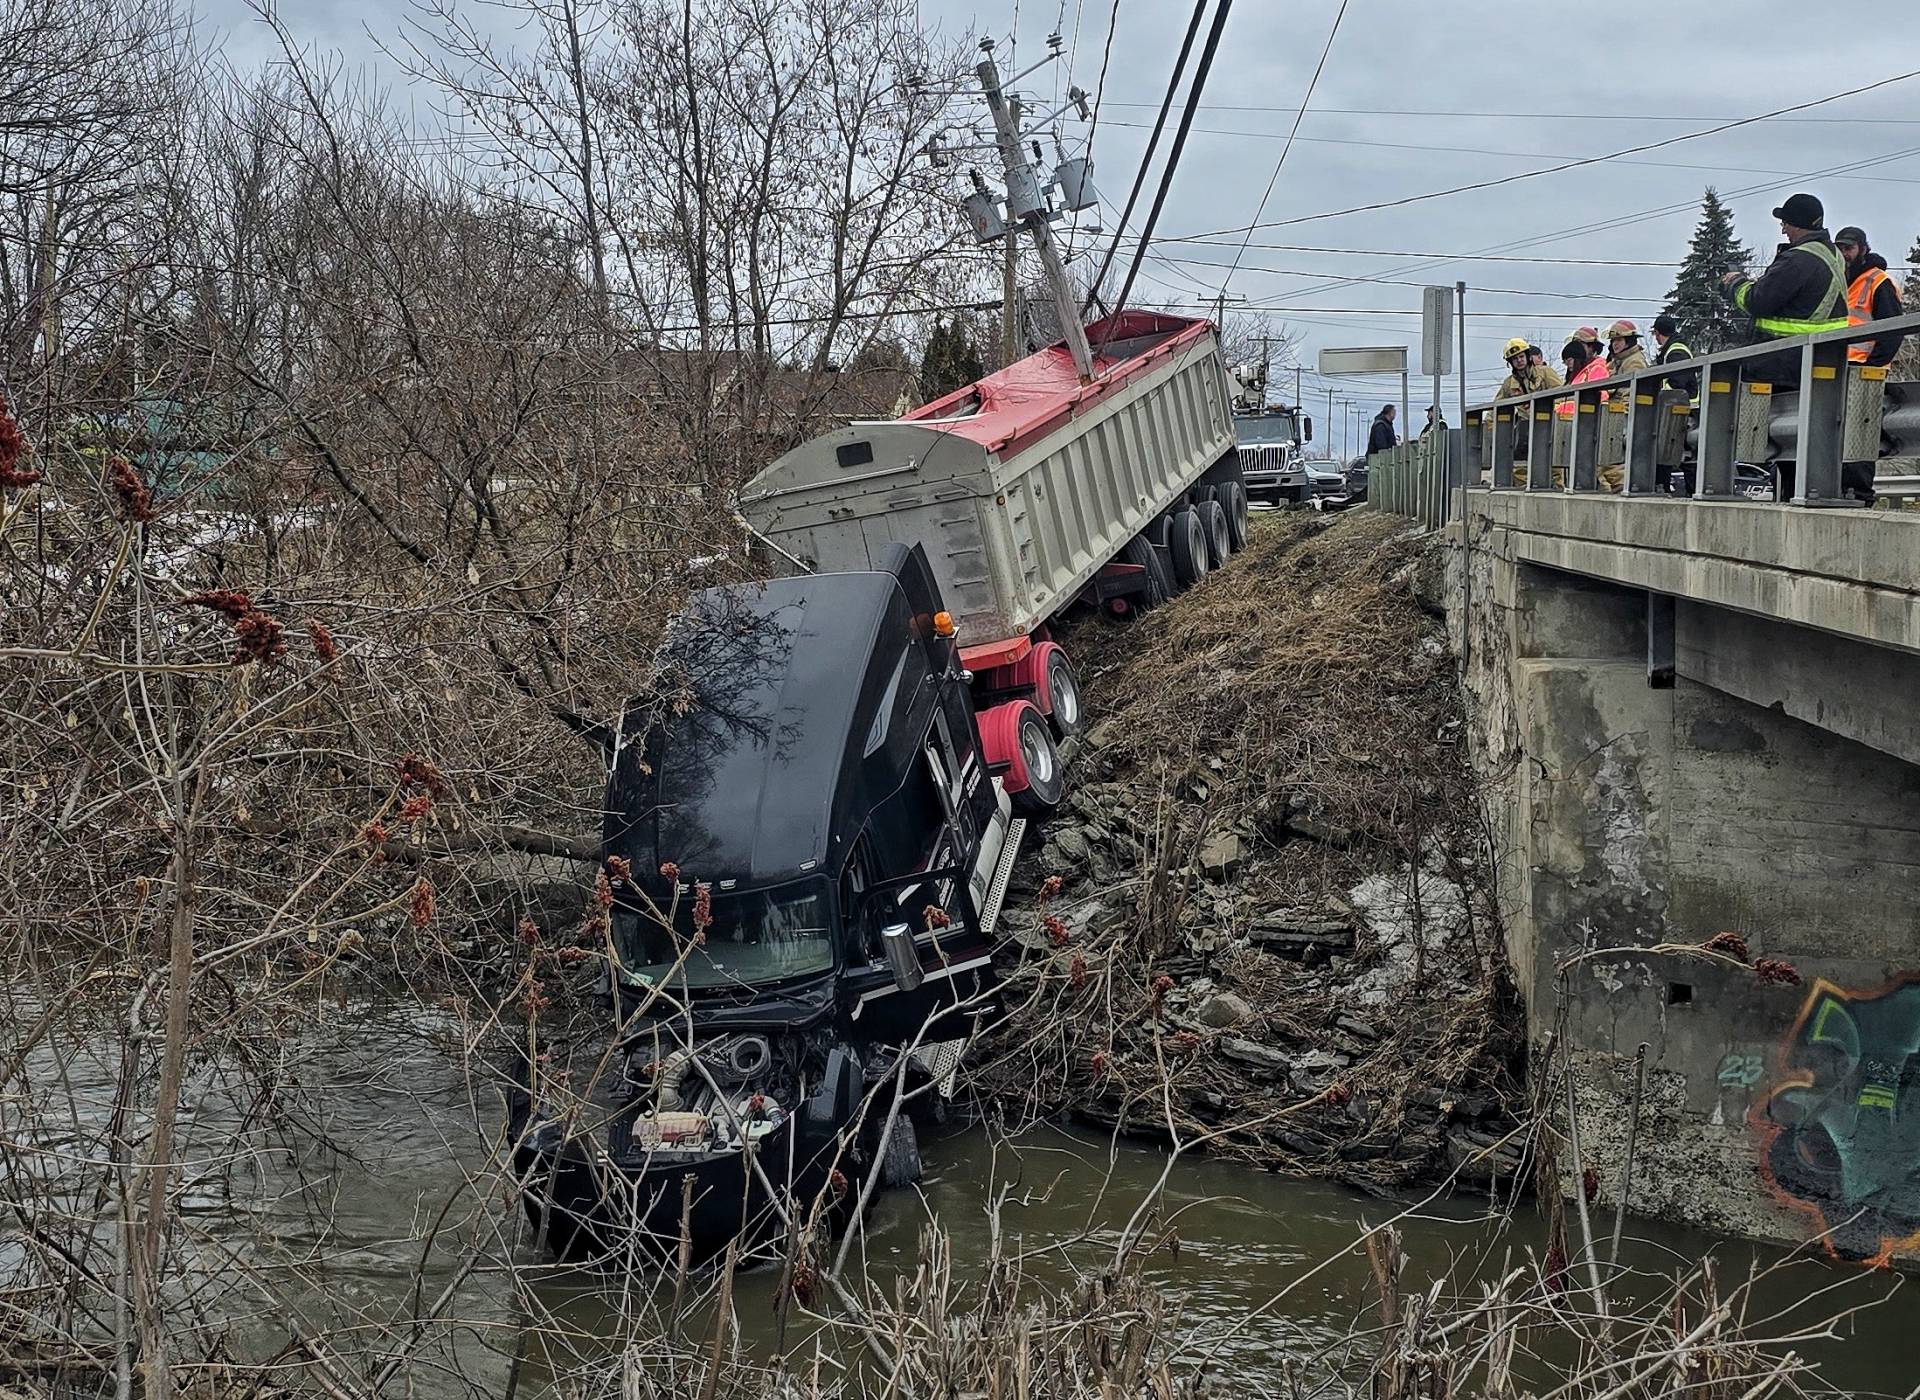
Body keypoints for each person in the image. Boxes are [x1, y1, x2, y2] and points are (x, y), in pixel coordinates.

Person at [1836, 225, 1905, 503]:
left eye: (1849, 248)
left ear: (1863, 249)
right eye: (1840, 248)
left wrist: (1873, 367)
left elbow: (1893, 331)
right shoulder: (1839, 281)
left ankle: (1860, 494)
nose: (1844, 253)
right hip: (1836, 370)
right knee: (1839, 434)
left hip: (1865, 371)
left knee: (1859, 435)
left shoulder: (1878, 281)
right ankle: (1839, 490)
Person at [1651, 314, 1696, 396]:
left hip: (1679, 402)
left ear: (1657, 332)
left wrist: (1660, 395)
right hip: (1676, 401)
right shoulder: (1673, 350)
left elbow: (1677, 384)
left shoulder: (1676, 352)